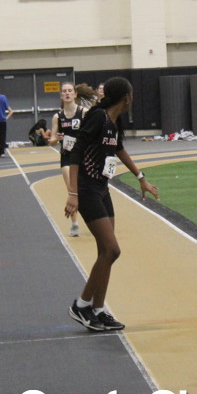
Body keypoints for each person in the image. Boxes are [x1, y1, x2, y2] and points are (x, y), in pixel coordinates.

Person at [64, 77, 159, 333]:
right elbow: (76, 152)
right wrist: (73, 193)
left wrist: (141, 178)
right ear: (126, 97)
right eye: (132, 94)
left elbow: (119, 149)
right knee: (112, 250)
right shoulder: (98, 117)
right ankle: (81, 304)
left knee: (105, 252)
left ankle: (98, 309)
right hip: (87, 190)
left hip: (102, 189)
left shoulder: (115, 121)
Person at [50, 82, 86, 237]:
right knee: (72, 189)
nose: (67, 93)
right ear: (61, 95)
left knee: (86, 190)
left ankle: (95, 218)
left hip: (83, 156)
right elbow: (52, 140)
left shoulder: (83, 112)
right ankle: (74, 224)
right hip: (67, 157)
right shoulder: (58, 117)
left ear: (75, 94)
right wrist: (56, 138)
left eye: (70, 91)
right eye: (64, 91)